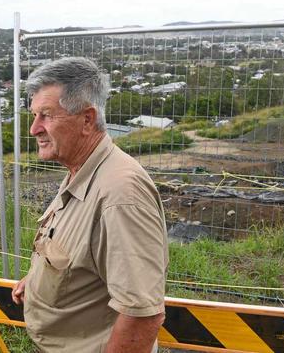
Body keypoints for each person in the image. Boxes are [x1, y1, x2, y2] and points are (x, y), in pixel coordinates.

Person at [11, 57, 168, 353]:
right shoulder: (81, 169)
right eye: (34, 115)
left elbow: (142, 314)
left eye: (46, 115)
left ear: (86, 119)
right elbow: (78, 255)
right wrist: (37, 281)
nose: (34, 129)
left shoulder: (121, 195)